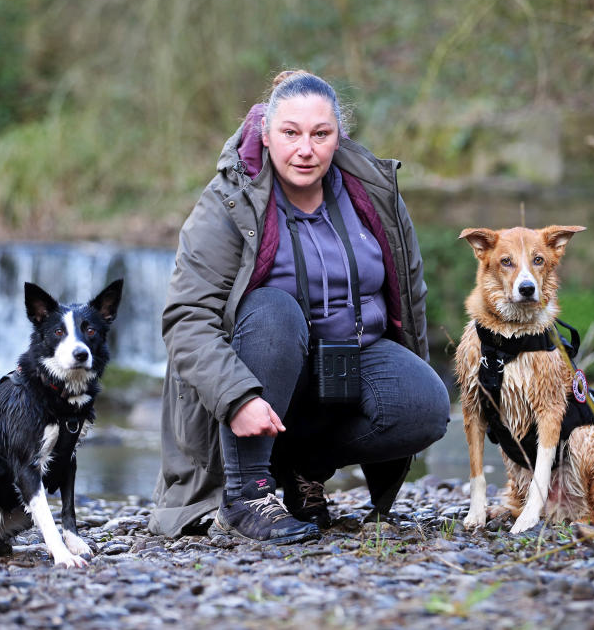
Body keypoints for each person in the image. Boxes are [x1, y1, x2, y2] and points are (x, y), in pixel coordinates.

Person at [150, 70, 450, 544]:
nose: (305, 149)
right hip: (260, 366)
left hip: (349, 361)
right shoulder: (229, 203)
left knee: (426, 407)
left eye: (320, 134)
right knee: (273, 310)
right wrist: (237, 397)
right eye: (290, 133)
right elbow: (186, 319)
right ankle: (246, 495)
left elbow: (410, 296)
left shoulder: (373, 193)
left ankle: (296, 468)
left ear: (338, 137)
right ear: (266, 135)